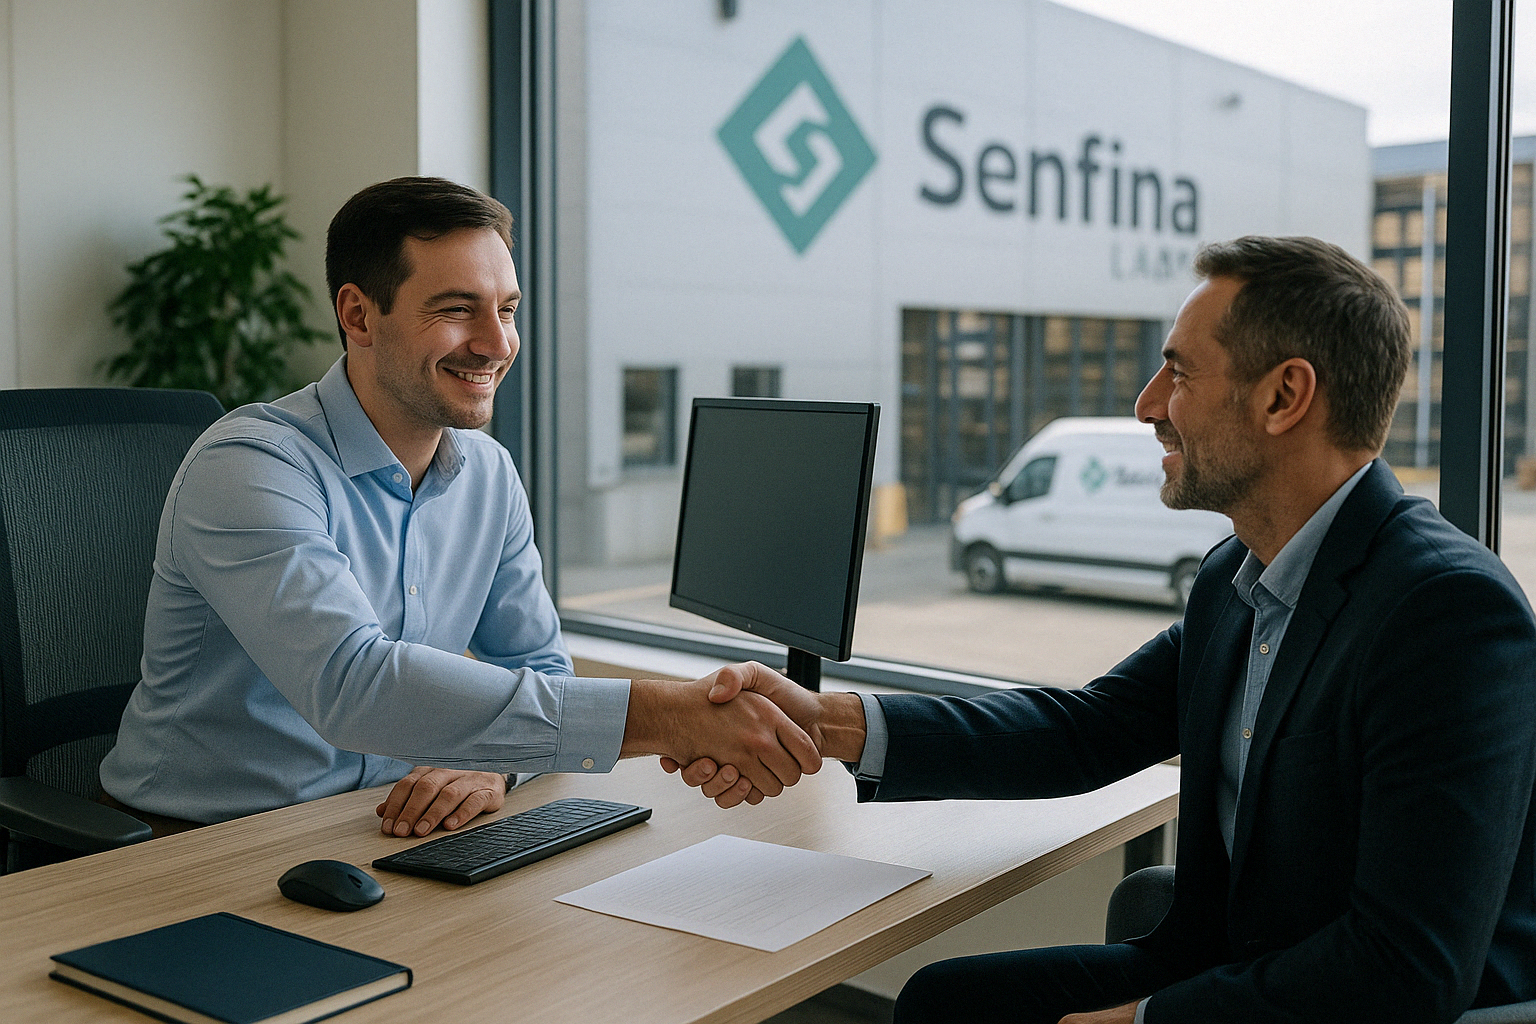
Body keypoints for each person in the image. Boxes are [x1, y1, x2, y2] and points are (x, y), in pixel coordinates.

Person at [671, 236, 1536, 1023]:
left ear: (1285, 396)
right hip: (1224, 962)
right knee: (946, 1001)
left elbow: (1405, 968)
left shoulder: (1446, 615)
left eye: (1179, 374)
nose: (1147, 404)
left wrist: (1140, 1023)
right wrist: (823, 725)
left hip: (1357, 1006)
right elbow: (1085, 728)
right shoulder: (1236, 579)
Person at [100, 177, 818, 839]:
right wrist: (666, 716)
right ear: (359, 315)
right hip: (193, 843)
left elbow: (543, 665)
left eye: (506, 310)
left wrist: (496, 763)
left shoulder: (489, 474)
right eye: (456, 310)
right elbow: (356, 686)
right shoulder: (251, 464)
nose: (497, 343)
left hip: (376, 828)